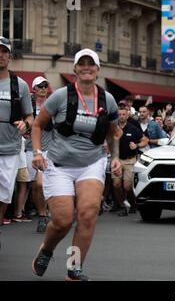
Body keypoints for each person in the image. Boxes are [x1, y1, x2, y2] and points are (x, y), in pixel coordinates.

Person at [31, 48, 122, 280]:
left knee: (87, 214)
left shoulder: (107, 99)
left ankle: (73, 268)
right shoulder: (61, 96)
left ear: (98, 69)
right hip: (59, 164)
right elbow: (38, 125)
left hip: (91, 163)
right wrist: (38, 152)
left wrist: (116, 157)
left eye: (91, 64)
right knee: (62, 221)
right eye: (81, 63)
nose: (86, 67)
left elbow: (114, 133)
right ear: (74, 69)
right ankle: (47, 249)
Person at [0, 36, 34, 245]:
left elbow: (30, 116)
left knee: (3, 196)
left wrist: (26, 125)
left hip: (10, 149)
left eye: (4, 51)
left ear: (10, 56)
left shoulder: (19, 85)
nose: (0, 55)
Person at [25, 76, 52, 232]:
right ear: (34, 89)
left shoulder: (51, 105)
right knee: (35, 186)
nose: (43, 88)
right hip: (31, 149)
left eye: (45, 86)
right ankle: (43, 214)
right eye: (40, 86)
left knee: (42, 184)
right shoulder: (29, 107)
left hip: (48, 149)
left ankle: (44, 215)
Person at [112, 107, 147, 216]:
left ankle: (133, 203)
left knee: (127, 186)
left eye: (123, 114)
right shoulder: (113, 128)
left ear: (127, 116)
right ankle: (122, 205)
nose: (121, 116)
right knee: (116, 184)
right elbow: (107, 140)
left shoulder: (133, 128)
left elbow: (145, 140)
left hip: (129, 160)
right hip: (116, 159)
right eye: (119, 114)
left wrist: (136, 145)